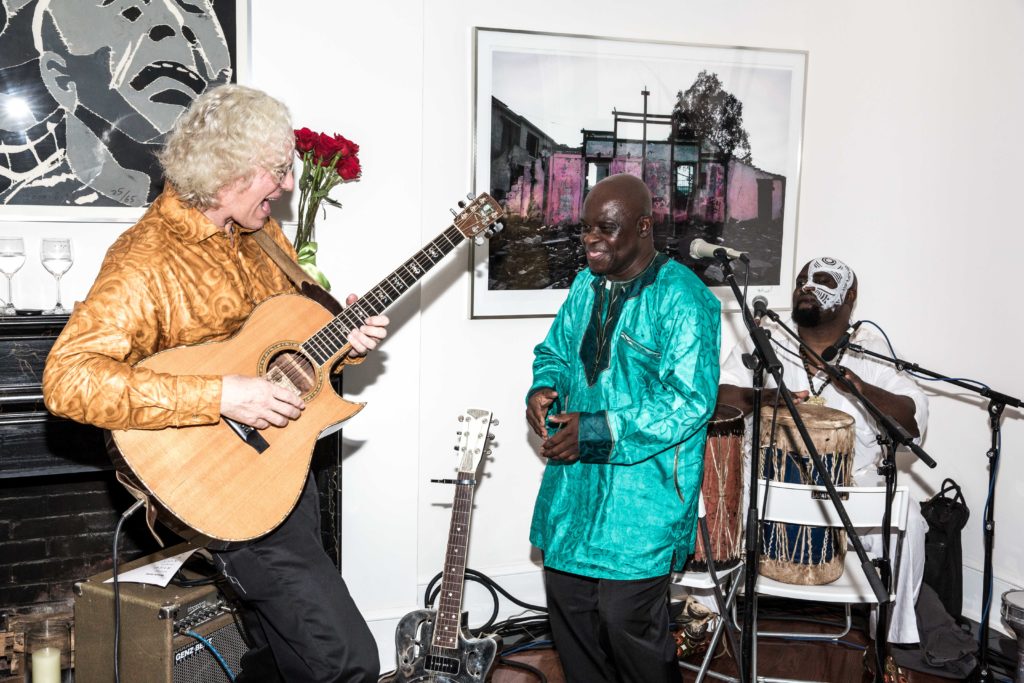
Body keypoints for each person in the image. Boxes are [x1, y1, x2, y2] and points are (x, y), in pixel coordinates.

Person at [42, 84, 386, 682]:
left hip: (279, 472)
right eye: (277, 172)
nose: (285, 187)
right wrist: (222, 395)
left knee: (279, 658)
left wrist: (342, 344)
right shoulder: (145, 259)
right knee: (347, 662)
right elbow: (69, 381)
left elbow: (292, 342)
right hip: (213, 485)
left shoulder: (260, 236)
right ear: (228, 174)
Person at [525, 173, 721, 683]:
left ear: (642, 227)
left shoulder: (684, 298)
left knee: (625, 622)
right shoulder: (585, 285)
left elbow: (689, 402)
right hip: (573, 491)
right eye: (586, 228)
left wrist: (598, 428)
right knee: (571, 615)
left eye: (606, 229)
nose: (591, 240)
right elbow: (553, 353)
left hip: (644, 498)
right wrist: (542, 388)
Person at [717, 256, 929, 645]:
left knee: (909, 521)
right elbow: (719, 399)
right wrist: (764, 396)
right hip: (767, 485)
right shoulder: (766, 339)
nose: (807, 285)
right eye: (802, 279)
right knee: (711, 493)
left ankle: (892, 643)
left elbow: (913, 421)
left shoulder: (870, 350)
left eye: (823, 280)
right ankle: (708, 621)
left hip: (852, 489)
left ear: (849, 297)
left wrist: (862, 390)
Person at [2, 0, 231, 205]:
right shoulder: (41, 204)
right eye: (130, 12)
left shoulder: (235, 201)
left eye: (193, 14)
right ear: (61, 78)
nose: (171, 29)